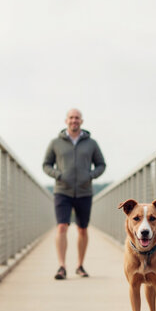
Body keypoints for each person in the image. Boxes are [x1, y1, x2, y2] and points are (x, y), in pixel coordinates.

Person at [43, 108, 106, 280]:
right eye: (71, 118)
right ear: (66, 121)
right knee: (62, 226)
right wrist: (58, 175)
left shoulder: (91, 143)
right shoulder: (56, 142)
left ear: (82, 121)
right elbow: (46, 165)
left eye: (77, 118)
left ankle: (79, 265)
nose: (74, 120)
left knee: (82, 229)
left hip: (84, 191)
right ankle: (62, 266)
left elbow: (101, 165)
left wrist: (90, 176)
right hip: (62, 191)